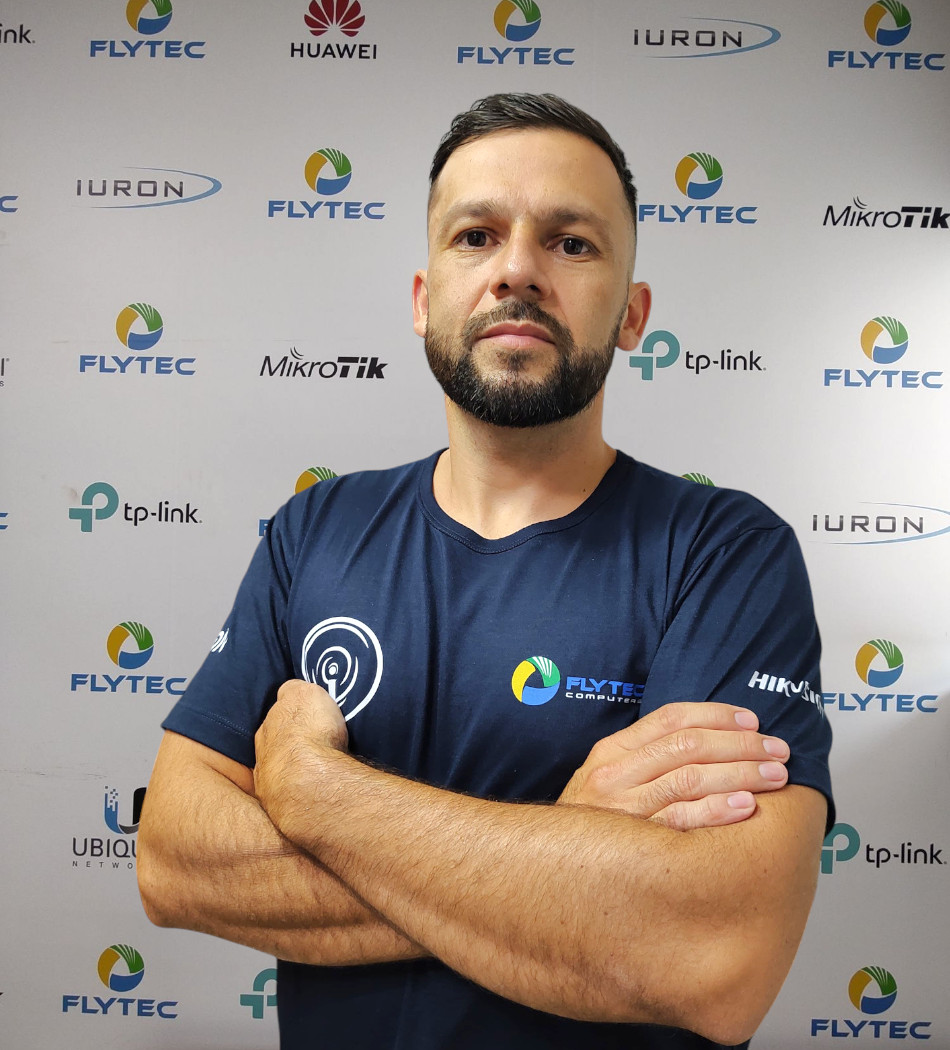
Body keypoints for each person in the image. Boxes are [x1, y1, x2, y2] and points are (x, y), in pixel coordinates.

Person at [138, 93, 833, 1050]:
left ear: (632, 316)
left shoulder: (724, 554)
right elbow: (175, 863)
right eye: (476, 237)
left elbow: (711, 956)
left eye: (571, 243)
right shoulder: (316, 530)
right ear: (424, 300)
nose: (517, 270)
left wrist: (308, 787)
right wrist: (566, 840)